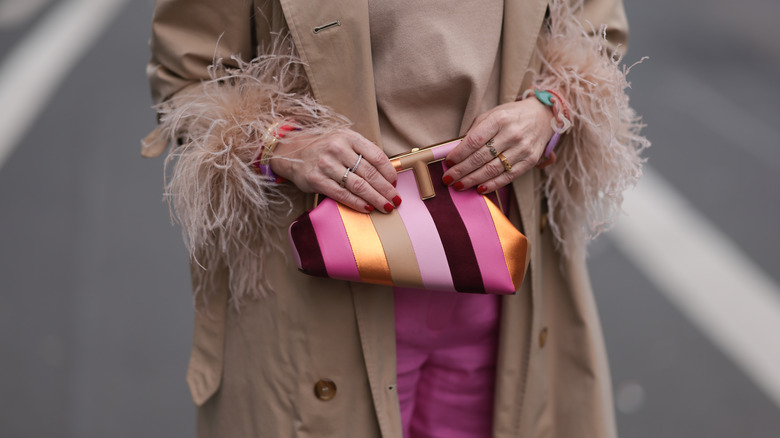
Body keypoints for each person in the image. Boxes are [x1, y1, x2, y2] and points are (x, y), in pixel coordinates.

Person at [142, 0, 648, 436]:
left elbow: (596, 41)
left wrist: (546, 111)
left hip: (502, 296)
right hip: (315, 300)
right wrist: (283, 147)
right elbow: (190, 80)